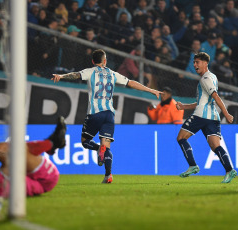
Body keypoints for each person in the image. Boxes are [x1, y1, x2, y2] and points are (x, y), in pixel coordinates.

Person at [51, 49, 162, 183]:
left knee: (85, 141)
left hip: (95, 113)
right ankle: (108, 175)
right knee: (107, 145)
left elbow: (75, 75)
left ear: (93, 61)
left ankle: (98, 149)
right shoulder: (112, 74)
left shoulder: (90, 71)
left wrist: (61, 76)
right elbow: (131, 83)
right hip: (109, 114)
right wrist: (151, 90)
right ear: (105, 61)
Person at [0, 116, 67, 198]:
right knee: (17, 151)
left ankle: (51, 145)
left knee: (1, 147)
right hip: (45, 179)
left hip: (30, 176)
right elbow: (8, 159)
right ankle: (52, 143)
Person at [175, 52, 237, 183]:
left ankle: (192, 165)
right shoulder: (212, 77)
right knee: (215, 146)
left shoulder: (205, 79)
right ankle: (229, 170)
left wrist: (226, 113)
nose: (195, 64)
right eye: (194, 62)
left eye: (197, 62)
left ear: (205, 63)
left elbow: (215, 96)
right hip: (213, 117)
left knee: (181, 138)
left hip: (200, 116)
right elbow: (202, 101)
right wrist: (184, 107)